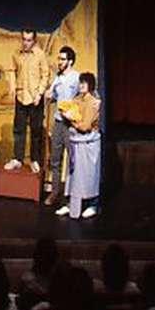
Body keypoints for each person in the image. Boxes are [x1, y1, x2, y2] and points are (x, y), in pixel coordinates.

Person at [55, 72, 101, 218]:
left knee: (87, 175)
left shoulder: (93, 102)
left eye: (84, 83)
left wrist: (72, 120)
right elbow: (66, 109)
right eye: (80, 83)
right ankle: (71, 204)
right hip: (76, 141)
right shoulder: (77, 99)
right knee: (73, 175)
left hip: (88, 142)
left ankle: (92, 204)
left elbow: (85, 126)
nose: (81, 85)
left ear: (90, 85)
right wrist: (67, 115)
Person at [4, 29, 49, 174]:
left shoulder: (40, 54)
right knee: (19, 129)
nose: (26, 43)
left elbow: (45, 74)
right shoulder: (16, 53)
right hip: (21, 95)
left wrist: (40, 93)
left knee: (36, 130)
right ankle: (18, 158)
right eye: (24, 39)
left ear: (34, 41)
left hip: (35, 97)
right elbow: (11, 70)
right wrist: (12, 88)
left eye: (29, 40)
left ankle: (35, 160)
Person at [44, 46, 80, 206]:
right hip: (58, 123)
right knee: (55, 160)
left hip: (71, 124)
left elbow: (84, 97)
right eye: (59, 59)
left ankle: (73, 194)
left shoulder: (76, 78)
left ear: (70, 61)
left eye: (62, 59)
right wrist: (50, 96)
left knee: (73, 160)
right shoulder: (57, 78)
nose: (59, 62)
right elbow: (55, 98)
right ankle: (55, 192)